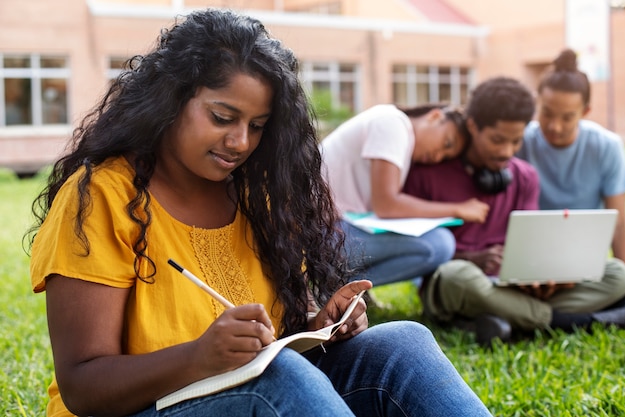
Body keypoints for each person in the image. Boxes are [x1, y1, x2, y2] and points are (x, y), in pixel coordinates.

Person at [26, 9, 492, 417]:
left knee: (402, 344)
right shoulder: (103, 197)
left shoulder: (259, 200)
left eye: (257, 126)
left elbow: (278, 343)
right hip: (148, 407)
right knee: (277, 380)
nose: (240, 142)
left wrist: (321, 328)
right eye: (222, 117)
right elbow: (82, 385)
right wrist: (199, 357)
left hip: (258, 392)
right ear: (170, 100)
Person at [403, 76, 625, 346]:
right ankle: (566, 322)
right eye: (497, 140)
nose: (507, 152)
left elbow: (529, 245)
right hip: (460, 285)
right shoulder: (429, 172)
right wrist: (472, 258)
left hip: (511, 289)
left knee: (617, 273)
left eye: (516, 141)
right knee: (458, 276)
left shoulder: (526, 177)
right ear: (473, 126)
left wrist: (544, 276)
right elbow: (418, 252)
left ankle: (504, 321)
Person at [320, 103, 489, 286]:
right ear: (435, 116)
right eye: (447, 143)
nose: (439, 156)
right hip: (318, 235)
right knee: (439, 244)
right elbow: (386, 205)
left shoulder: (401, 139)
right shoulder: (393, 123)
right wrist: (458, 209)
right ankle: (338, 290)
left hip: (332, 231)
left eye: (446, 156)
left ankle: (342, 289)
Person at [517, 48, 625, 263]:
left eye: (567, 117)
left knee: (617, 278)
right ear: (537, 103)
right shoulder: (521, 142)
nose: (554, 126)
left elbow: (619, 222)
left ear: (585, 112)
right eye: (546, 113)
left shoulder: (606, 146)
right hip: (532, 253)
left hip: (584, 255)